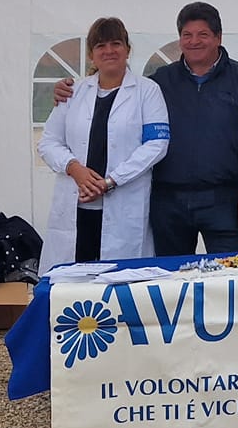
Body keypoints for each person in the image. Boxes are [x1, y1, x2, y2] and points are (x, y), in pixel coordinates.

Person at [55, 2, 238, 255]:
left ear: (218, 38)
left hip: (224, 200)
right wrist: (69, 91)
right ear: (179, 39)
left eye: (203, 34)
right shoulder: (159, 82)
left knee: (227, 278)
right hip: (169, 203)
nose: (194, 42)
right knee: (169, 282)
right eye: (187, 35)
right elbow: (116, 89)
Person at [38, 16, 170, 270]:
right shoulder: (72, 92)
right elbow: (48, 142)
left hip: (123, 203)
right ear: (91, 55)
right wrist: (74, 168)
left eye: (116, 43)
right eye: (100, 46)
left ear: (127, 50)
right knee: (75, 281)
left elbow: (156, 145)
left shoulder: (147, 91)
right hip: (78, 206)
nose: (109, 51)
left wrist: (111, 181)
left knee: (120, 284)